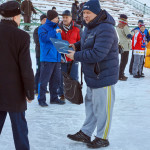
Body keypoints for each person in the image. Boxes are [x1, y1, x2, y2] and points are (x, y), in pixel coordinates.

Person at [66, 0, 119, 148]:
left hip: (103, 76)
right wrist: (75, 46)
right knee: (91, 107)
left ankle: (103, 137)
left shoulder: (106, 29)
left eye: (88, 13)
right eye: (84, 13)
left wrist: (75, 56)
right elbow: (85, 43)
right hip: (92, 75)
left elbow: (98, 53)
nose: (85, 16)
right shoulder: (89, 28)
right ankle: (86, 132)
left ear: (97, 13)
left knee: (103, 110)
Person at [0, 1, 34, 150]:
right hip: (15, 91)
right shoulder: (21, 36)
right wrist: (29, 91)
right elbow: (26, 68)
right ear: (15, 17)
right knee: (19, 129)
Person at [38, 10, 65, 106]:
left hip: (57, 58)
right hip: (47, 58)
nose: (58, 19)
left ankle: (54, 98)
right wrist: (54, 31)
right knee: (44, 80)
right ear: (52, 18)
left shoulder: (57, 27)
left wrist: (63, 52)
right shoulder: (42, 28)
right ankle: (41, 99)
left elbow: (59, 43)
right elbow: (44, 39)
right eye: (57, 17)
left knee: (56, 80)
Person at [58, 10, 81, 100]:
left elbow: (81, 41)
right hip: (62, 57)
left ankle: (74, 94)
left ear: (71, 18)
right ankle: (62, 94)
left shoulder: (77, 28)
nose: (64, 19)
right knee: (61, 77)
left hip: (73, 57)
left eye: (66, 17)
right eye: (63, 17)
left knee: (74, 76)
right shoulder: (58, 28)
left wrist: (77, 49)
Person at [33, 14, 47, 95]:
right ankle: (35, 88)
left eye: (46, 19)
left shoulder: (49, 29)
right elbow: (37, 42)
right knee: (39, 71)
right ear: (41, 21)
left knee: (45, 71)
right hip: (39, 54)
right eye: (43, 19)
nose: (45, 21)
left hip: (47, 55)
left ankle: (43, 87)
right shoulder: (37, 30)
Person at [116, 14, 132, 81]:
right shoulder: (124, 26)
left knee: (122, 61)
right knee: (124, 61)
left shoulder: (118, 25)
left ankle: (120, 74)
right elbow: (129, 36)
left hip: (121, 44)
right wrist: (133, 33)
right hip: (125, 45)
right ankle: (120, 75)